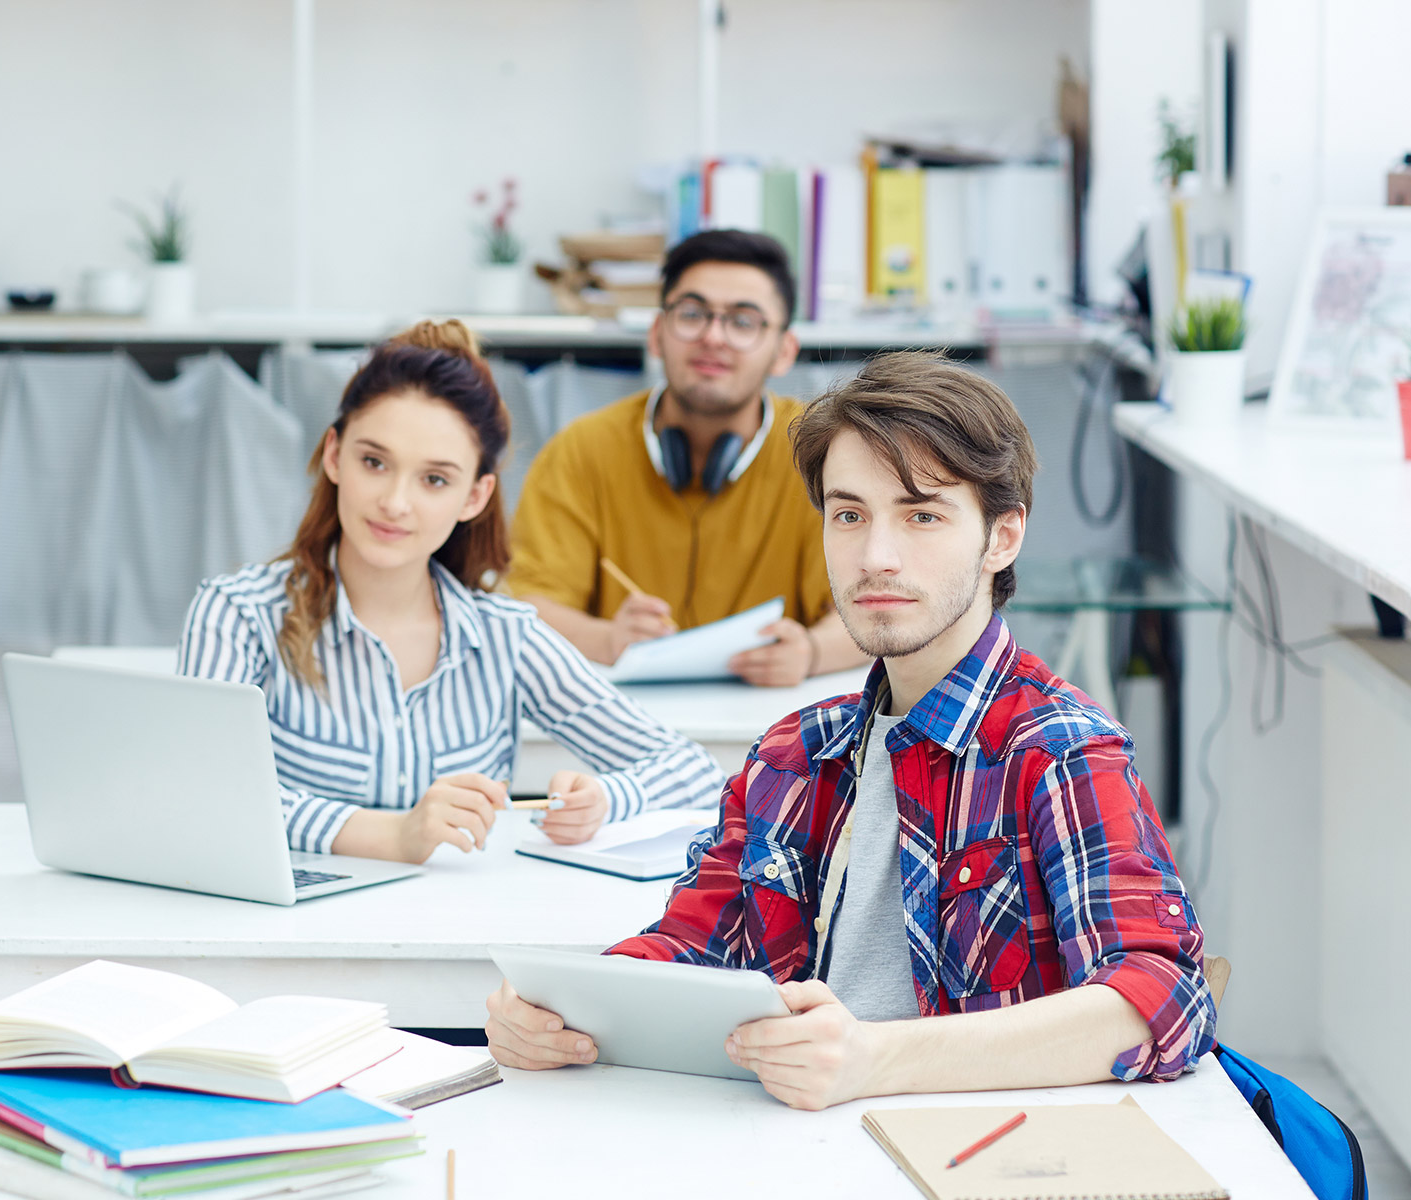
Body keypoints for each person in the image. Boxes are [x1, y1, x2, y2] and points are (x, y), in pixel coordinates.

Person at [485, 352, 1215, 1109]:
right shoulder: (793, 756)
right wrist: (561, 1009)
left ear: (1002, 537)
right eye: (849, 514)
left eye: (921, 514)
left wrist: (878, 1059)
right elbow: (690, 945)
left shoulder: (1060, 748)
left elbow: (1160, 1001)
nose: (876, 556)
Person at [177, 320, 723, 864]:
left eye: (434, 479)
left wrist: (606, 799)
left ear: (475, 496)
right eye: (375, 462)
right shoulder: (237, 614)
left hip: (459, 929)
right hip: (286, 932)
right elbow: (196, 788)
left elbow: (697, 772)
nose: (395, 502)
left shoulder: (506, 636)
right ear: (333, 455)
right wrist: (392, 836)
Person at [507, 229, 866, 686]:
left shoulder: (827, 452)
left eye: (744, 321)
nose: (713, 337)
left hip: (776, 726)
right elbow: (526, 606)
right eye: (692, 314)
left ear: (784, 351)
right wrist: (606, 639)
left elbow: (877, 601)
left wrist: (813, 652)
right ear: (657, 334)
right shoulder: (580, 450)